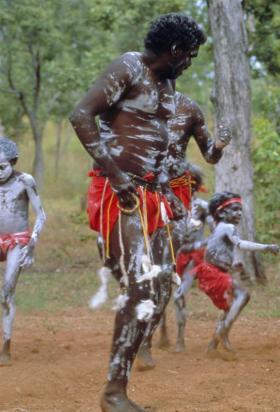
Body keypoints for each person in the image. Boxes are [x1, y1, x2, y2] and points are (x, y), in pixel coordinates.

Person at [69, 13, 206, 411]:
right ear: (175, 49)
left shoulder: (168, 83)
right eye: (190, 55)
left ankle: (120, 384)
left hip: (153, 195)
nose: (190, 63)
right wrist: (115, 174)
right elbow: (81, 115)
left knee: (162, 285)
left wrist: (168, 191)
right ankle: (114, 393)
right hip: (119, 192)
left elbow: (160, 143)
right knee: (142, 285)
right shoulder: (128, 67)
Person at [136, 88, 231, 366]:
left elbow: (210, 155)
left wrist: (221, 144)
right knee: (136, 271)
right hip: (138, 192)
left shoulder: (189, 108)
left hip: (175, 199)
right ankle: (134, 333)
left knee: (164, 275)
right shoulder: (135, 101)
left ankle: (146, 341)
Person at [181, 192, 279, 360]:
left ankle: (213, 345)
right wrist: (266, 247)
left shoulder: (219, 228)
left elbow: (217, 253)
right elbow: (240, 244)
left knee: (229, 308)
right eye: (234, 210)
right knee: (243, 295)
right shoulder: (228, 227)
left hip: (210, 272)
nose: (239, 213)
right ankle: (222, 333)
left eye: (240, 210)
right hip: (212, 273)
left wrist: (233, 267)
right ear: (221, 212)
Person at [149, 164, 212, 353]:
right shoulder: (169, 205)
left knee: (178, 296)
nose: (187, 189)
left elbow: (216, 232)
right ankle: (162, 333)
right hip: (169, 255)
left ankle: (180, 339)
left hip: (193, 258)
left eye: (190, 184)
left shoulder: (203, 207)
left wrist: (203, 245)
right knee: (160, 295)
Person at [0, 137, 46, 366]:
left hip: (17, 241)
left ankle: (6, 347)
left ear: (13, 161)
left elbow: (41, 214)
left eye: (2, 167)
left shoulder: (24, 181)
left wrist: (32, 243)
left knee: (7, 291)